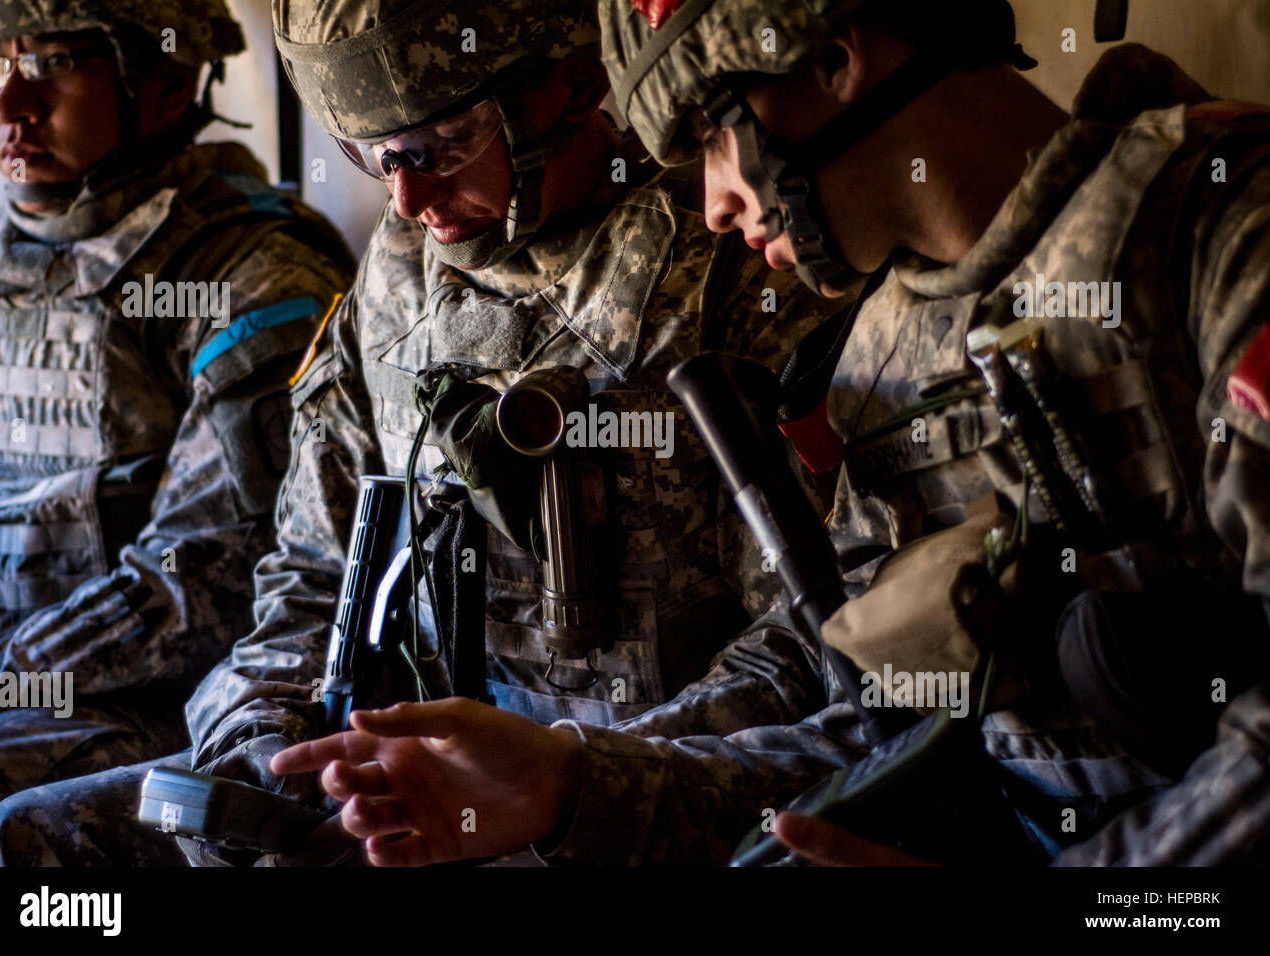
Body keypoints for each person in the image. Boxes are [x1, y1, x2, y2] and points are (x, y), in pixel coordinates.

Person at [270, 0, 1270, 867]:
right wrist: (574, 782)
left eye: (711, 130)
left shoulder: (1223, 228)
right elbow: (874, 715)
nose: (709, 205)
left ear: (834, 58)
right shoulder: (879, 349)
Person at [0, 0, 832, 866]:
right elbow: (310, 573)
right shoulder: (394, 281)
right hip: (400, 775)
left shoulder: (738, 268)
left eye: (433, 150)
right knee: (33, 841)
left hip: (624, 793)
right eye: (375, 158)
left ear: (575, 85)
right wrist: (262, 739)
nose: (405, 199)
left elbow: (803, 648)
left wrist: (571, 778)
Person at [0, 0, 355, 861]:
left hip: (158, 709)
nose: (9, 108)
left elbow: (202, 586)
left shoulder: (250, 272)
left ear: (168, 82)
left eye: (52, 66)